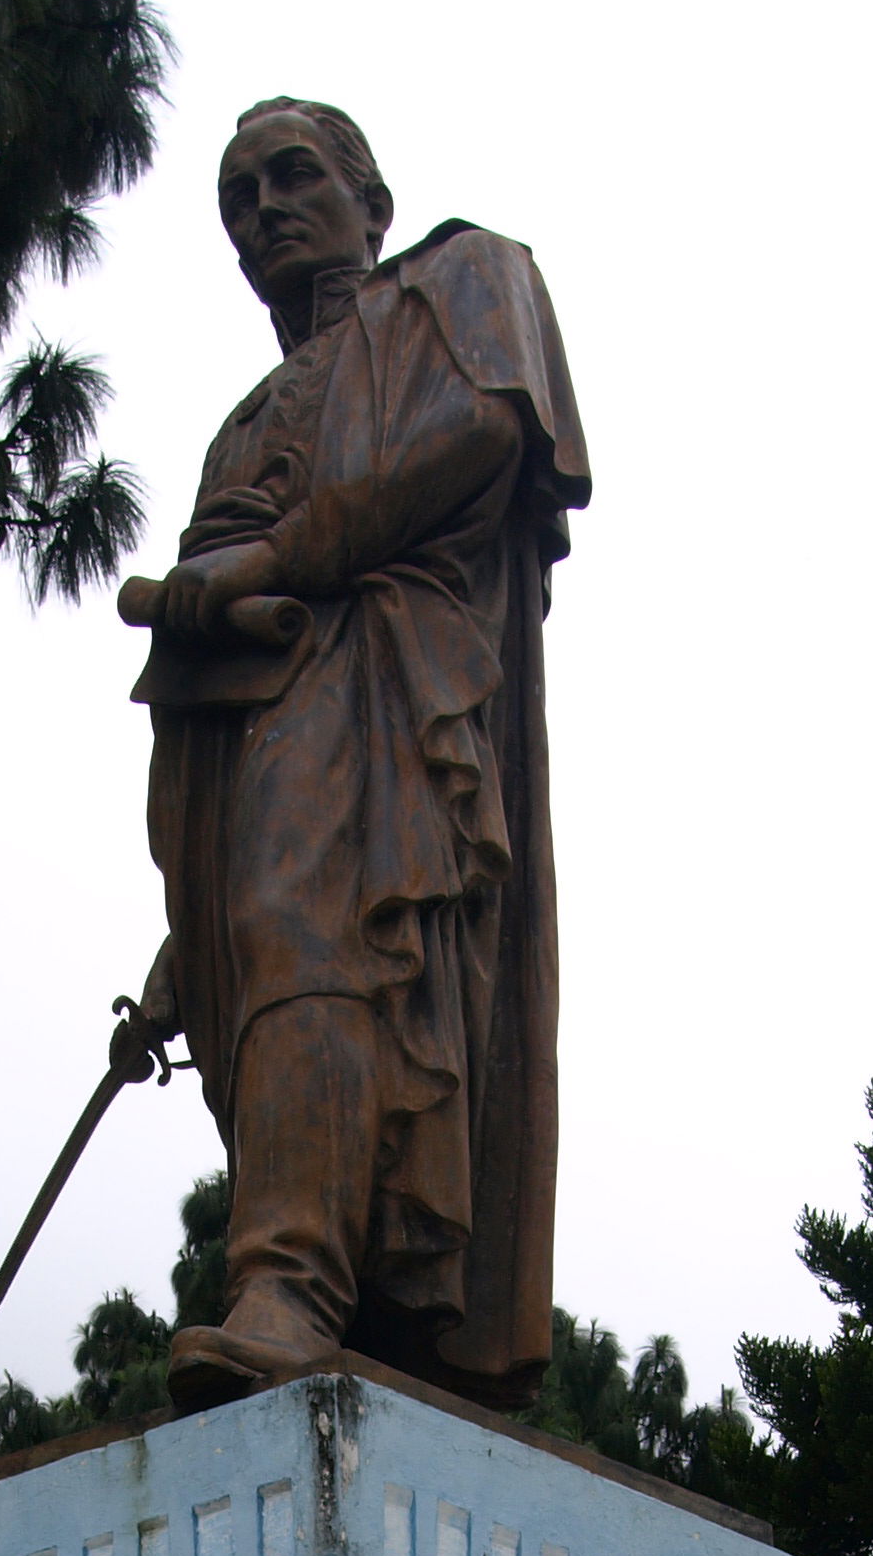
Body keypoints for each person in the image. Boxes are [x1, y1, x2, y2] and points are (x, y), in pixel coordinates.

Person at [124, 97, 588, 1414]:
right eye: (237, 198)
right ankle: (345, 1290)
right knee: (279, 953)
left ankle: (291, 1287)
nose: (264, 208)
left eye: (293, 175)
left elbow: (490, 434)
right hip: (234, 735)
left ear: (370, 199)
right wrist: (187, 934)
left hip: (377, 676)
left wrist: (283, 559)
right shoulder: (250, 409)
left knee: (310, 940)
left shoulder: (457, 279)